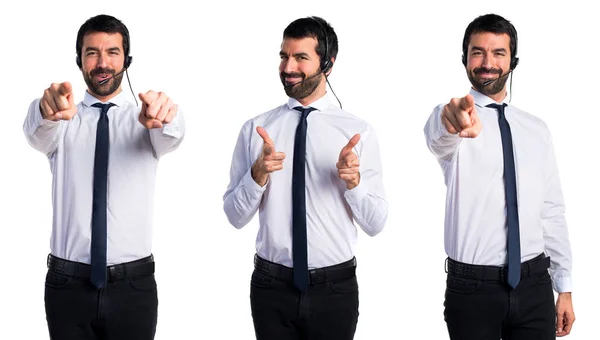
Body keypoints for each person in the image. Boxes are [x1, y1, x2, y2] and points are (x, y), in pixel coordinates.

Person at [223, 16, 388, 340]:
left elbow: (376, 223)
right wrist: (257, 175)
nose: (288, 67)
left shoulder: (357, 132)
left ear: (327, 63)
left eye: (301, 57)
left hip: (335, 290)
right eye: (284, 56)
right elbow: (234, 217)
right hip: (271, 289)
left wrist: (354, 183)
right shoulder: (256, 129)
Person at [23, 14, 185, 340]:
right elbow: (36, 132)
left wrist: (167, 117)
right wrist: (46, 109)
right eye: (92, 53)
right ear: (79, 61)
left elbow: (172, 134)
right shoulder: (61, 118)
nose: (102, 62)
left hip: (133, 287)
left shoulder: (145, 118)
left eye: (112, 52)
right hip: (66, 285)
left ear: (127, 60)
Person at [423, 13, 575, 339]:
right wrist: (453, 122)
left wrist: (564, 286)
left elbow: (551, 211)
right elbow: (439, 135)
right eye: (477, 52)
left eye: (498, 53)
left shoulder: (536, 130)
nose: (487, 62)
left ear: (513, 61)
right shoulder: (452, 118)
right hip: (473, 290)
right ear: (464, 59)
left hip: (536, 285)